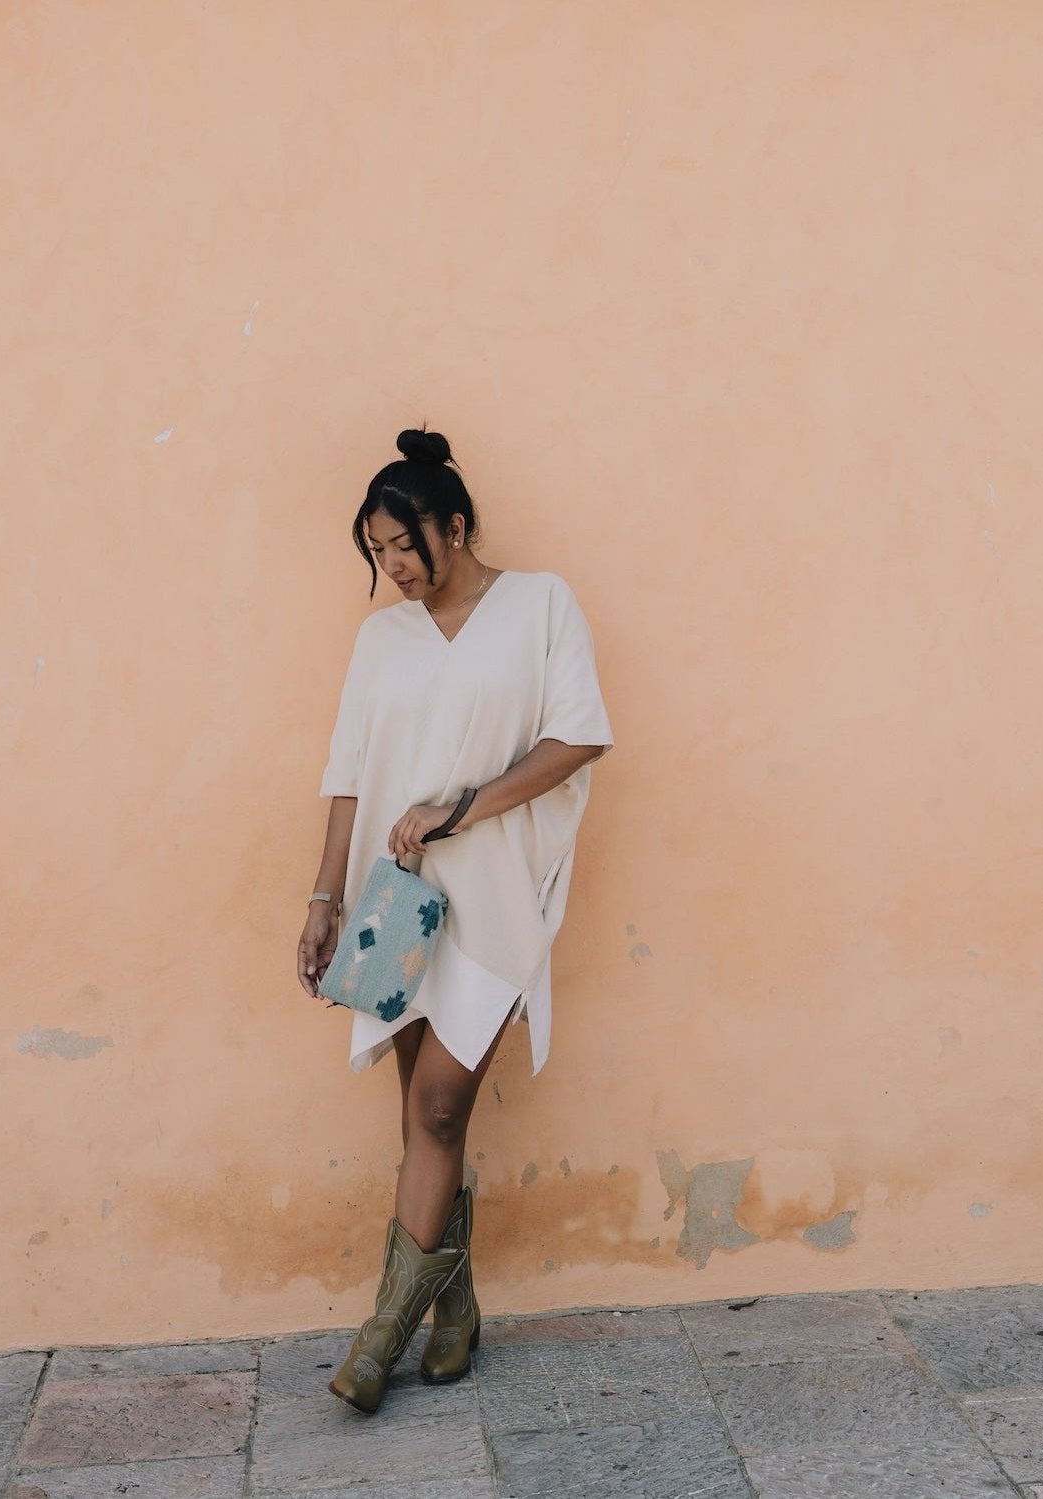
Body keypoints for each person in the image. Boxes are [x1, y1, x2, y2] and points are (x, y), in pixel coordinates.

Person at [297, 428, 613, 1414]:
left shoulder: (540, 604)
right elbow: (349, 776)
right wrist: (323, 898)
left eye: (403, 545)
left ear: (455, 524)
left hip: (497, 900)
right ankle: (457, 1313)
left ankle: (379, 1336)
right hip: (398, 906)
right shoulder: (380, 638)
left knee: (439, 1107)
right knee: (422, 1117)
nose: (391, 568)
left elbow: (578, 736)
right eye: (377, 552)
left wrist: (462, 805)